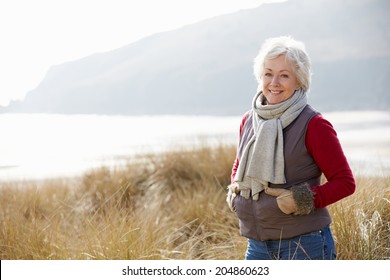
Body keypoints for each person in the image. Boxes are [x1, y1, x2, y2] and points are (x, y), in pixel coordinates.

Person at [226, 36, 356, 260]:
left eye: (284, 75)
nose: (274, 82)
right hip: (257, 245)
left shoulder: (314, 125)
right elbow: (239, 163)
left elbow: (345, 182)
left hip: (305, 244)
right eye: (268, 73)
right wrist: (234, 190)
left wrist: (302, 199)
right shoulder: (249, 120)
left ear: (299, 81)